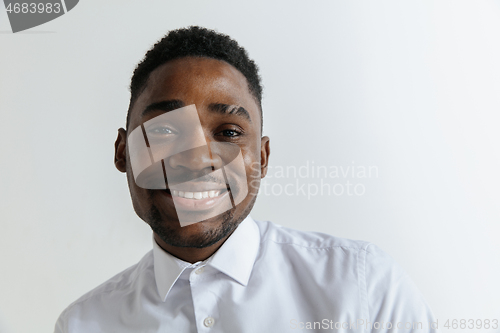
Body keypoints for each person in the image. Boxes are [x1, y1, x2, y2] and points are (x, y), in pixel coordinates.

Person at [55, 26, 438, 333]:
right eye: (166, 131)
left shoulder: (363, 288)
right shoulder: (84, 324)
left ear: (263, 157)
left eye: (229, 133)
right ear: (123, 151)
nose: (198, 159)